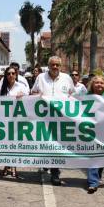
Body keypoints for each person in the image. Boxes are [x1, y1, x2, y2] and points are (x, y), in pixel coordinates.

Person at [31, 56, 74, 186]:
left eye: (57, 65)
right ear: (48, 66)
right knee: (45, 143)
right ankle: (46, 163)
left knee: (56, 144)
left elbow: (73, 95)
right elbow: (33, 92)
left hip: (61, 118)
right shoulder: (40, 78)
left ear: (60, 66)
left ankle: (55, 173)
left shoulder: (67, 78)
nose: (55, 67)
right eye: (52, 65)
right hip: (44, 118)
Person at [0, 67, 29, 178]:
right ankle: (6, 165)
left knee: (15, 144)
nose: (11, 75)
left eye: (13, 73)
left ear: (16, 75)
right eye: (8, 73)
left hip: (17, 120)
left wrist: (23, 97)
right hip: (5, 121)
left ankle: (14, 167)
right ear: (6, 75)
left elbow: (30, 100)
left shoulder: (22, 87)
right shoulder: (2, 87)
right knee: (6, 144)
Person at [86, 75, 104, 193]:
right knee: (93, 156)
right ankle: (93, 182)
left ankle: (97, 176)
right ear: (92, 85)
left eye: (101, 83)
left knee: (101, 156)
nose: (99, 85)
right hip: (90, 132)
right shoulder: (85, 98)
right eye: (96, 83)